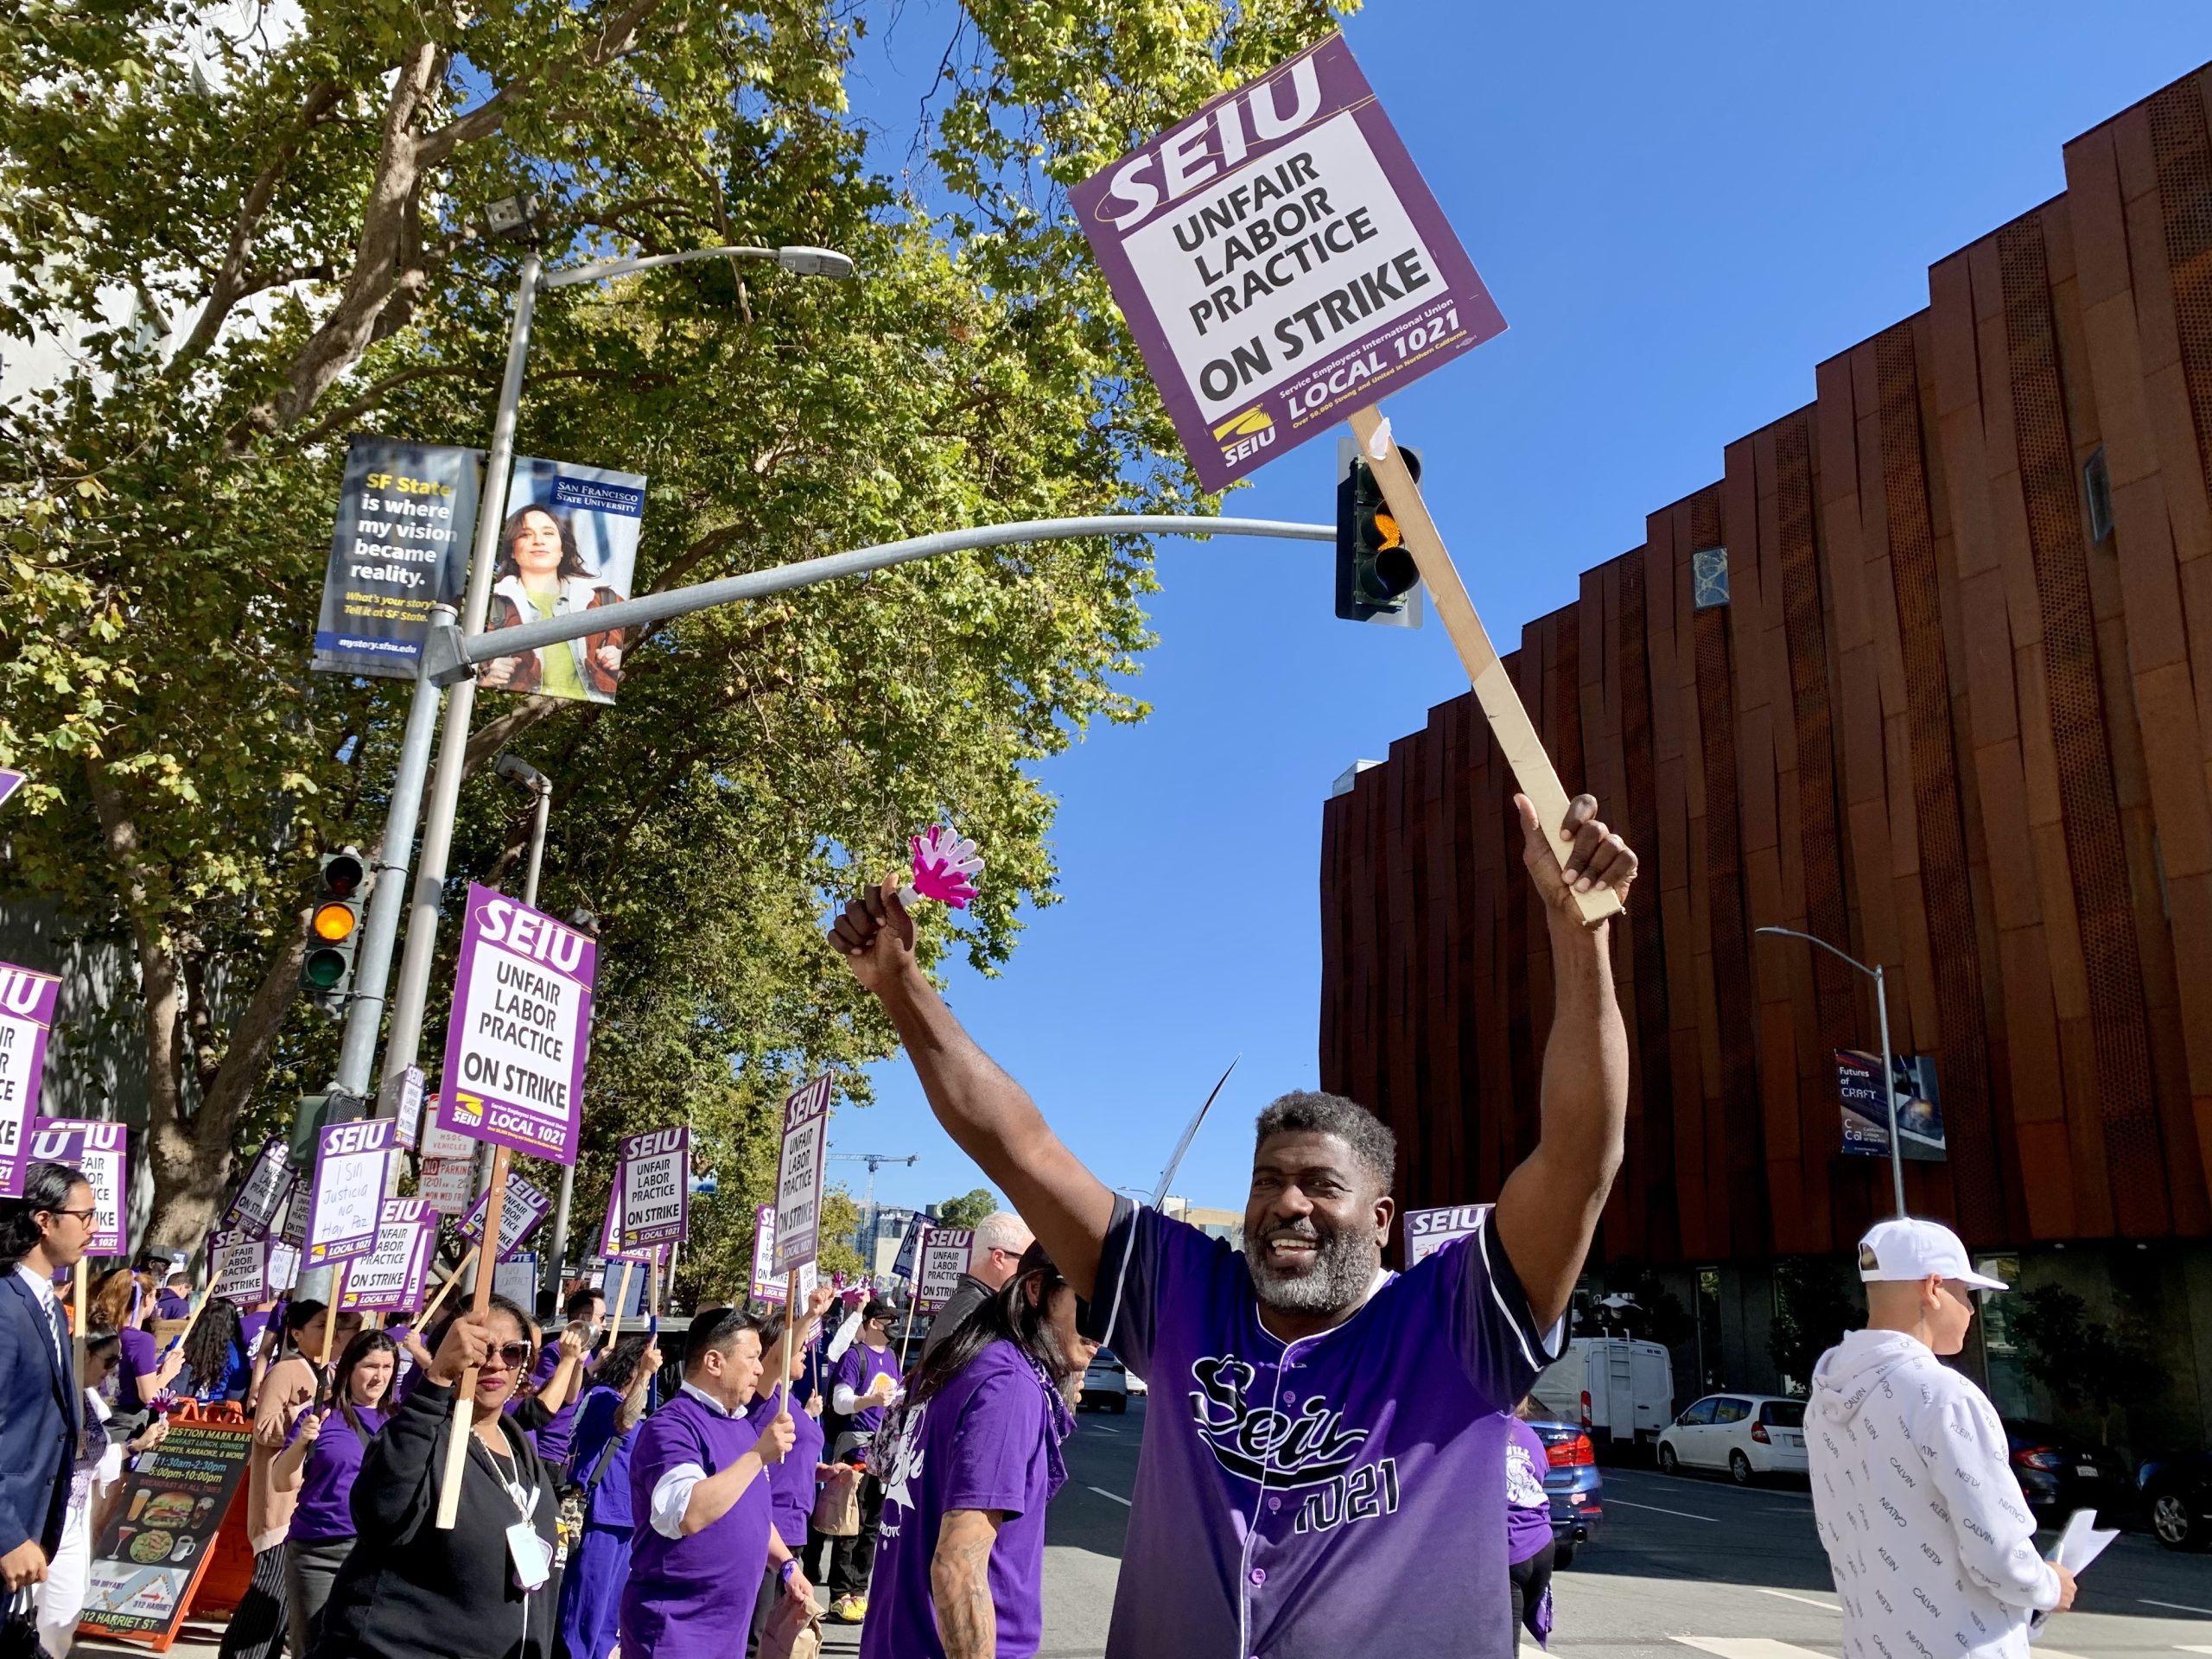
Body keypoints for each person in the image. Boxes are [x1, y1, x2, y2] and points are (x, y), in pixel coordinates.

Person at [830, 791, 1637, 1659]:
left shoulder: (1456, 1319)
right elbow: (1018, 1146)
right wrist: (901, 987)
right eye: (1267, 1182)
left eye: (1321, 1185)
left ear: (1382, 1216)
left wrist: (1578, 931)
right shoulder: (1182, 1295)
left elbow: (1580, 1156)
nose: (1288, 1204)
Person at [1807, 1218, 2076, 1659]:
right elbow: (1998, 1554)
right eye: (1966, 1295)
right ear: (1932, 1288)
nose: (1971, 1310)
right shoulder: (1946, 1397)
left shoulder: (1826, 1396)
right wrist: (2050, 1585)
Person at [860, 1242, 1093, 1659]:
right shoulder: (1008, 1386)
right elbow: (956, 1567)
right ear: (1037, 1290)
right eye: (1090, 1304)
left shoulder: (959, 1362)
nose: (1102, 1331)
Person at [315, 1298, 561, 1659]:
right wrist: (437, 1380)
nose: (495, 1363)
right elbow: (381, 1514)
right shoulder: (420, 1432)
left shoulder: (520, 1450)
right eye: (480, 1348)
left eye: (512, 1352)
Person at [620, 1306, 800, 1659]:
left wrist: (786, 1564)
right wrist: (757, 1456)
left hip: (726, 1630)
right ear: (714, 1362)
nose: (760, 1369)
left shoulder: (742, 1426)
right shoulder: (672, 1425)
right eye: (752, 1358)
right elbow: (688, 1512)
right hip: (676, 1631)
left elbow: (751, 1514)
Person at [222, 1298, 359, 1659]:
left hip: (306, 1500)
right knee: (268, 1590)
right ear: (297, 1333)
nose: (329, 1334)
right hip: (279, 1500)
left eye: (333, 1326)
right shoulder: (285, 1370)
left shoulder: (326, 1373)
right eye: (319, 1326)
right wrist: (303, 1415)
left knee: (284, 1600)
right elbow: (264, 1430)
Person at [0, 1161, 97, 1596]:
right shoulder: (5, 1305)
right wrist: (7, 1535)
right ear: (44, 1221)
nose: (94, 1228)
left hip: (33, 1530)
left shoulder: (52, 1306)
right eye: (85, 1216)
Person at [276, 1329, 397, 1654]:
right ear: (349, 1369)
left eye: (388, 1368)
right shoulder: (320, 1417)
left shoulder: (400, 1422)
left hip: (376, 1555)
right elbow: (282, 1482)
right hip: (318, 1552)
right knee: (314, 1648)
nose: (380, 1376)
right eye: (371, 1366)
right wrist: (301, 1441)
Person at [554, 1334, 661, 1659]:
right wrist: (643, 1375)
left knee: (607, 1619)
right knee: (583, 1610)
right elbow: (624, 1422)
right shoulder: (602, 1397)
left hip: (625, 1520)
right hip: (600, 1517)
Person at [747, 1287, 838, 1655]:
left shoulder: (793, 1401)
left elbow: (788, 1457)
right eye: (800, 1345)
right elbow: (778, 1359)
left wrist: (820, 1471)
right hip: (772, 1525)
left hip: (795, 1525)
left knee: (778, 1635)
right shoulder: (765, 1397)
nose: (804, 1350)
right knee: (757, 1634)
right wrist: (809, 1316)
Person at [477, 505, 627, 702]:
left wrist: (616, 656)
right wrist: (487, 677)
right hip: (523, 708)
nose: (538, 541)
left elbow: (625, 647)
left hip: (588, 707)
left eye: (548, 533)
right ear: (512, 551)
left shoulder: (603, 599)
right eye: (525, 534)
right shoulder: (492, 602)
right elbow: (469, 669)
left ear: (562, 548)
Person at [822, 1297, 900, 1622]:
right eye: (887, 1320)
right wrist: (869, 1400)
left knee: (872, 1525)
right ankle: (840, 1595)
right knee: (848, 1522)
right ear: (871, 1323)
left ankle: (859, 1590)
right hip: (855, 1450)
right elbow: (840, 1401)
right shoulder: (855, 1356)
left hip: (883, 1451)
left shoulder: (894, 1357)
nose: (894, 1327)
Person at [918, 1211, 1035, 1363]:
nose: (1030, 1270)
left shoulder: (977, 1309)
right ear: (998, 1258)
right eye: (1026, 1260)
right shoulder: (974, 1314)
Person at [91, 1265, 181, 1437]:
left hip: (95, 1418)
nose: (156, 1301)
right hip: (125, 1424)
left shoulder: (100, 1332)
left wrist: (158, 1371)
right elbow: (148, 1396)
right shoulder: (141, 1340)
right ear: (146, 1299)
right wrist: (168, 1373)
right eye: (157, 1295)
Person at [1505, 1402, 1554, 1649]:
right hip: (1541, 1544)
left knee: (1502, 1643)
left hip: (1510, 1549)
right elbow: (1541, 1474)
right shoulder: (1528, 1433)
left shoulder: (1479, 1431)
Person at [172, 1296, 254, 1405]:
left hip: (178, 1409)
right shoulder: (235, 1355)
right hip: (215, 1414)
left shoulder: (180, 1343)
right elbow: (235, 1395)